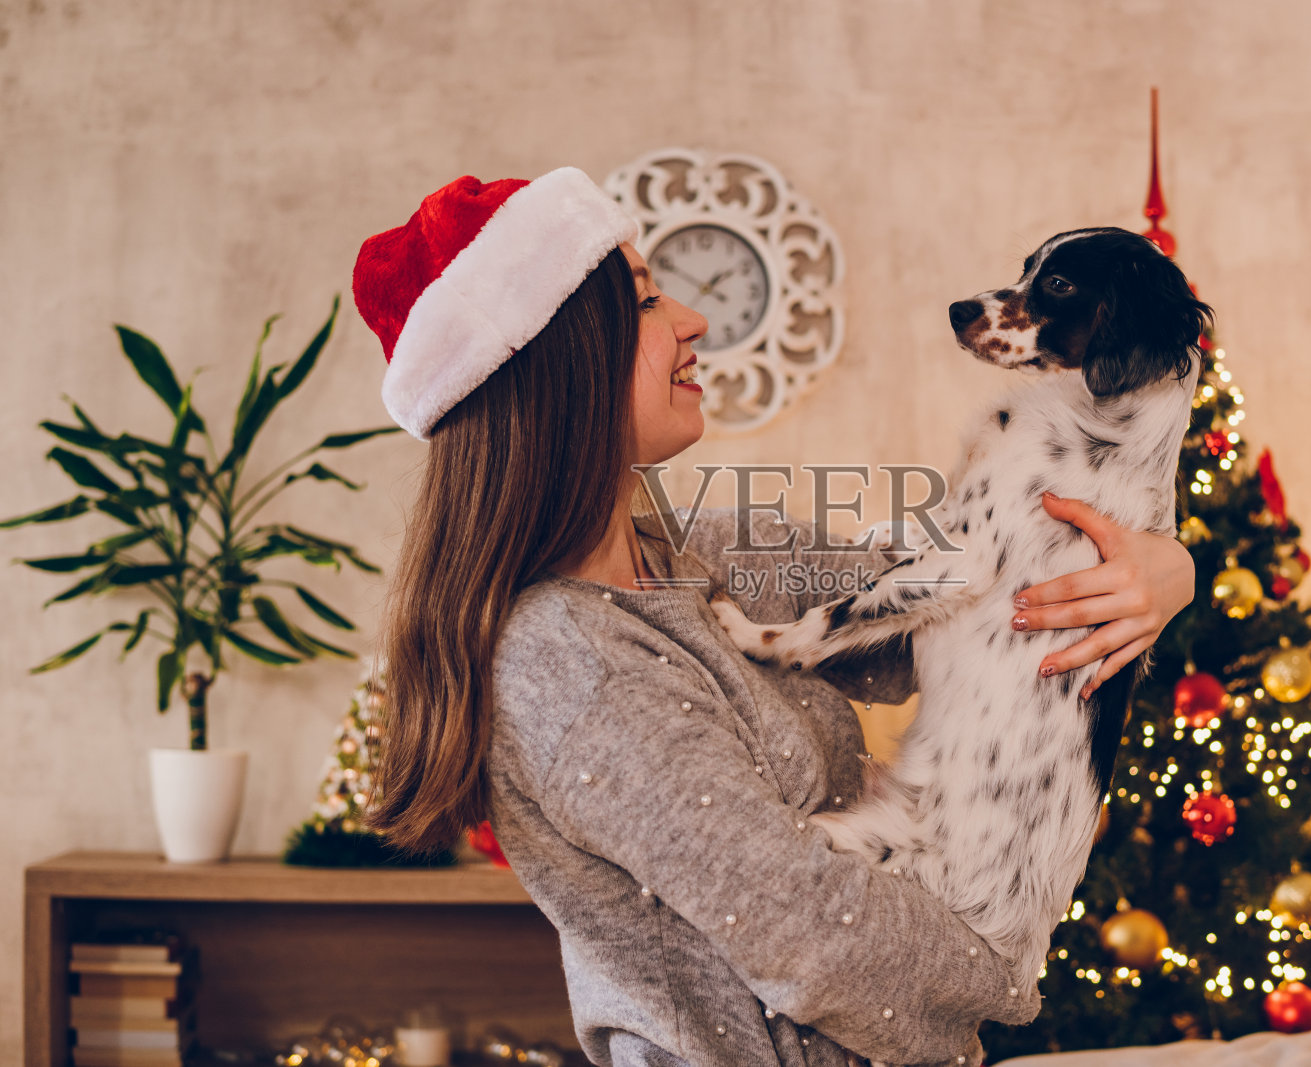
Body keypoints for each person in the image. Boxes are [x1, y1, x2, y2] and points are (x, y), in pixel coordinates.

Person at [356, 168, 1195, 1067]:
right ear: (559, 366)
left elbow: (936, 596)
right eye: (646, 301)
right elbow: (816, 935)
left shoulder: (704, 554)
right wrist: (1001, 980)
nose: (692, 320)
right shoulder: (569, 664)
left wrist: (1168, 566)